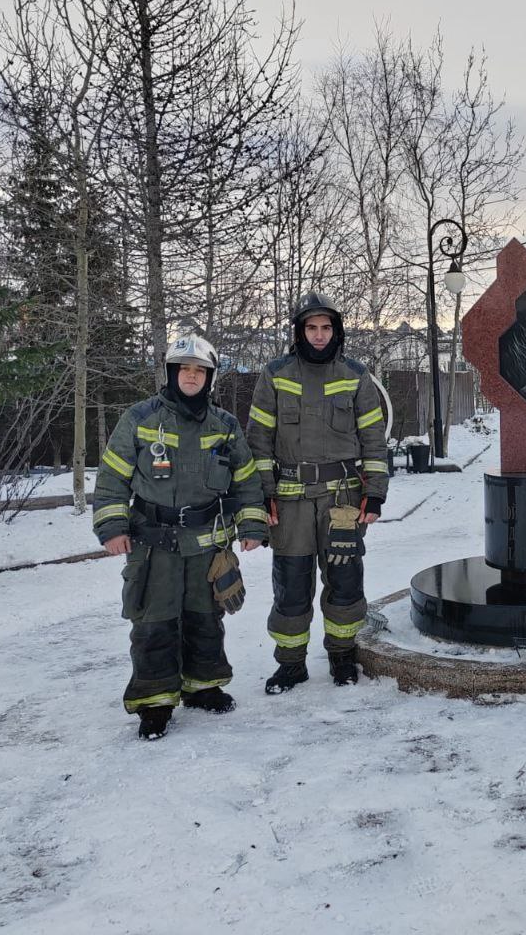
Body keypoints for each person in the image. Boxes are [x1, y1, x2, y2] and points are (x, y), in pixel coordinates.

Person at [92, 334, 268, 740]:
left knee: (206, 619)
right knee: (153, 623)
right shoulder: (140, 418)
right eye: (184, 369)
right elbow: (111, 478)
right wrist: (112, 526)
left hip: (208, 545)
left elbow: (246, 481)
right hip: (154, 546)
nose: (191, 376)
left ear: (209, 377)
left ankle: (203, 687)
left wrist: (253, 526)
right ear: (171, 373)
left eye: (199, 370)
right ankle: (155, 702)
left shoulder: (224, 426)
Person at [247, 292, 389, 693]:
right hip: (289, 503)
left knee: (345, 582)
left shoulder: (355, 375)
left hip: (343, 499)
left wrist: (375, 493)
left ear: (337, 331)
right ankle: (291, 664)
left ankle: (342, 656)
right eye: (312, 327)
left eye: (326, 327)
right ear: (300, 331)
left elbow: (374, 440)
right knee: (291, 584)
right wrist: (263, 496)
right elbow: (258, 441)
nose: (320, 335)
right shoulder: (274, 374)